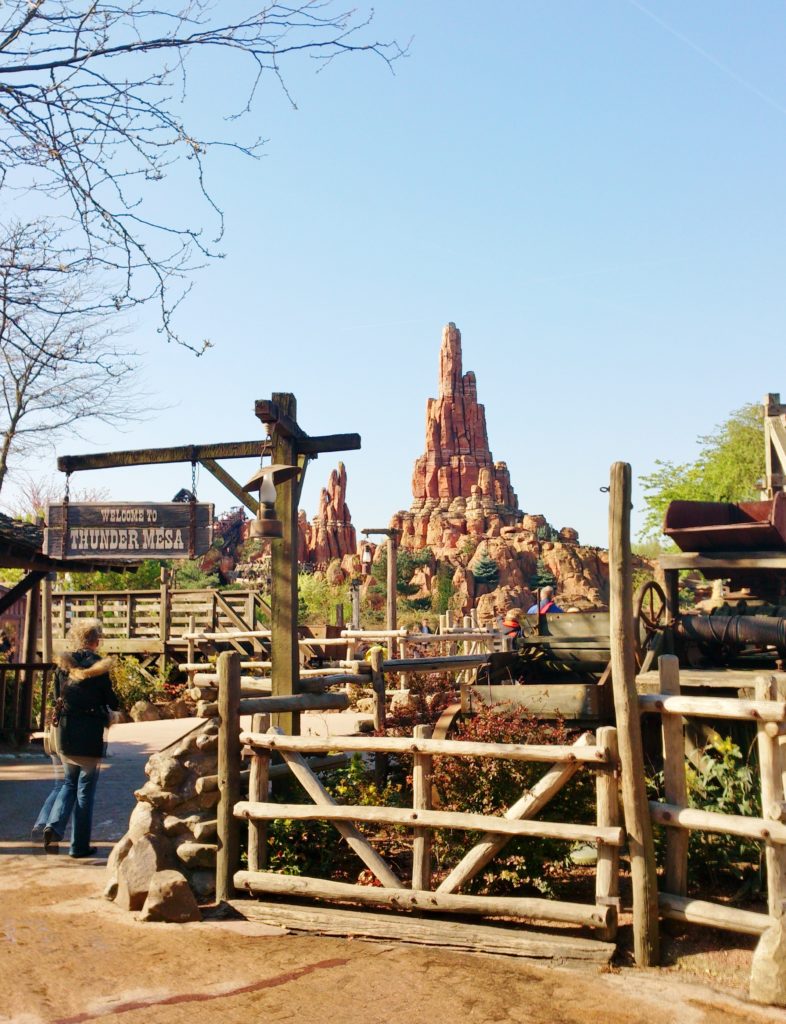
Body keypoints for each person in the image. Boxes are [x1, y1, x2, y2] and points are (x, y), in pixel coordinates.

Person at [42, 619, 119, 858]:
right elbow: (112, 702)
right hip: (90, 734)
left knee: (68, 783)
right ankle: (78, 846)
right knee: (84, 791)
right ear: (96, 641)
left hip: (66, 731)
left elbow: (56, 697)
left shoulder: (63, 665)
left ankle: (53, 826)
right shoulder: (100, 667)